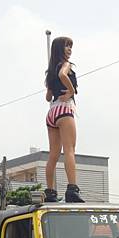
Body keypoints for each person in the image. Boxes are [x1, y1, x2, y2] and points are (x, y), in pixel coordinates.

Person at [44, 36, 84, 203]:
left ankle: (50, 193)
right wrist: (71, 89)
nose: (69, 49)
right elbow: (63, 75)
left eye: (71, 46)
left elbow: (48, 96)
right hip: (65, 109)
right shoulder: (66, 66)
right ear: (60, 49)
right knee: (69, 150)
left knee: (53, 154)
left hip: (52, 112)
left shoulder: (49, 71)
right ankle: (72, 189)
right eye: (67, 46)